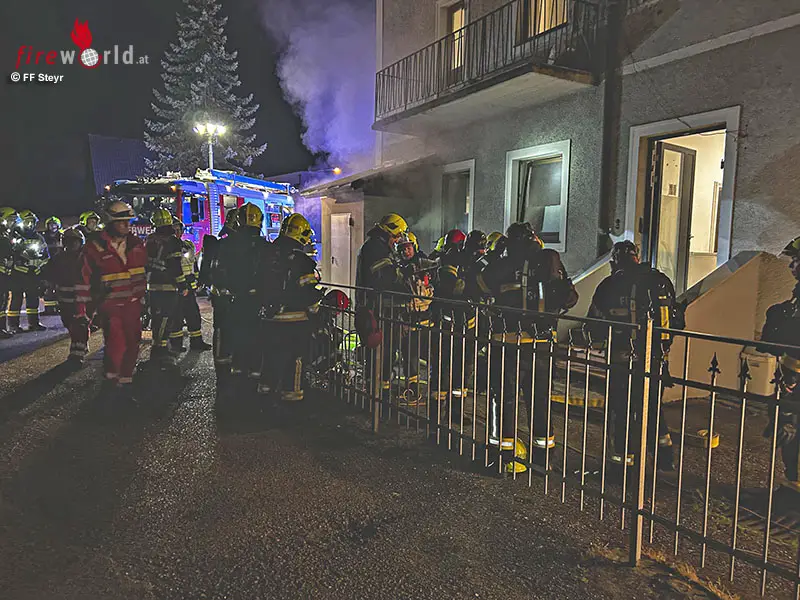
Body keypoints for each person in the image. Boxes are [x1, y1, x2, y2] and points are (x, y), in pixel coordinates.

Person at [476, 222, 578, 473]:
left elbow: (476, 283)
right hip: (541, 345)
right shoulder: (549, 259)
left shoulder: (501, 263)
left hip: (506, 344)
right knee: (540, 399)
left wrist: (494, 255)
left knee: (504, 399)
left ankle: (501, 455)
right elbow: (570, 299)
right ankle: (544, 458)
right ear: (534, 238)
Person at [587, 241, 683, 471]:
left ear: (614, 260)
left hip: (623, 359)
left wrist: (598, 340)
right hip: (656, 360)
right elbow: (677, 321)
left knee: (621, 410)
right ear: (637, 258)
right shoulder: (661, 281)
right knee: (651, 407)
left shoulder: (610, 284)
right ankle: (664, 457)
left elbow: (593, 324)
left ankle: (623, 463)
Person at [75, 201, 147, 397]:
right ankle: (111, 384)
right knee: (116, 344)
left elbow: (142, 275)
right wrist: (82, 310)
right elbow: (83, 280)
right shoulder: (95, 247)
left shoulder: (136, 245)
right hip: (110, 305)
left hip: (133, 306)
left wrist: (144, 302)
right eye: (121, 222)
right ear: (110, 222)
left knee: (133, 343)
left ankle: (125, 383)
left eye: (128, 221)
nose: (126, 225)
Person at [257, 213, 322, 400]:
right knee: (295, 361)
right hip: (294, 323)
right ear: (302, 235)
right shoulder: (302, 260)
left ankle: (264, 398)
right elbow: (308, 293)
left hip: (267, 319)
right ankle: (291, 401)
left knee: (269, 359)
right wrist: (316, 312)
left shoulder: (267, 253)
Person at [760, 236, 800, 507]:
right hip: (792, 376)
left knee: (792, 429)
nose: (792, 266)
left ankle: (794, 488)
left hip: (795, 379)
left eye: (796, 261)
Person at [355, 213, 409, 394]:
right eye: (397, 235)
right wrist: (404, 277)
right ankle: (377, 400)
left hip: (379, 309)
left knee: (384, 354)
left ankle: (379, 394)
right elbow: (385, 278)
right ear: (388, 232)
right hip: (377, 310)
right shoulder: (375, 249)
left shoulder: (377, 247)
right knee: (380, 355)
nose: (398, 240)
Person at [215, 203, 269, 380]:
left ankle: (235, 371)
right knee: (256, 337)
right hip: (256, 301)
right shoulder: (265, 246)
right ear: (259, 221)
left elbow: (219, 271)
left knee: (236, 334)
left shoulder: (228, 244)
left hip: (233, 300)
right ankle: (254, 372)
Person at [145, 208, 187, 368]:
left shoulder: (150, 239)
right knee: (165, 319)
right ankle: (160, 350)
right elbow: (175, 266)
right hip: (168, 287)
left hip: (152, 286)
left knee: (157, 319)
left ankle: (160, 347)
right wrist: (183, 285)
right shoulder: (173, 241)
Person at [396, 231, 436, 400]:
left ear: (414, 247)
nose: (406, 252)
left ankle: (436, 390)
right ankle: (412, 390)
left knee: (433, 356)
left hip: (427, 320)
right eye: (403, 249)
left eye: (409, 248)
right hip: (409, 320)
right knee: (410, 357)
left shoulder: (425, 263)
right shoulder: (396, 269)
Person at [42, 228, 90, 366]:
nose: (72, 244)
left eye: (75, 241)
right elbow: (49, 271)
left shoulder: (86, 257)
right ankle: (79, 346)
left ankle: (78, 353)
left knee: (80, 324)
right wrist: (46, 283)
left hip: (81, 298)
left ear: (80, 242)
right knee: (68, 323)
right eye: (69, 241)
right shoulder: (59, 257)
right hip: (64, 297)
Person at [204, 207, 239, 375]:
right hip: (232, 299)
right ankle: (228, 362)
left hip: (220, 299)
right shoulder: (235, 247)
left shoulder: (219, 244)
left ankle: (223, 362)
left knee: (221, 331)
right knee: (230, 330)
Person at [170, 220, 211, 352]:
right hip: (177, 287)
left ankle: (197, 342)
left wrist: (198, 280)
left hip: (189, 285)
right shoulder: (169, 246)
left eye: (178, 230)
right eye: (174, 230)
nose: (177, 233)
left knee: (193, 315)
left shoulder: (189, 245)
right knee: (176, 317)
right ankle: (176, 345)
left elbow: (193, 265)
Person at [8, 209, 49, 332]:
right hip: (18, 273)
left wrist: (40, 265)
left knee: (33, 298)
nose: (30, 224)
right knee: (17, 299)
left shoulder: (39, 237)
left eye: (32, 222)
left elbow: (45, 254)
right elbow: (10, 254)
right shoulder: (15, 237)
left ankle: (34, 323)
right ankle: (13, 325)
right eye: (27, 222)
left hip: (33, 273)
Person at [0, 208, 20, 338]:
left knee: (3, 300)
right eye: (11, 220)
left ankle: (2, 328)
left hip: (4, 274)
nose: (12, 223)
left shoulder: (6, 234)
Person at [41, 216, 64, 315]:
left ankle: (60, 307)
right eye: (51, 224)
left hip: (61, 264)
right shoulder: (43, 237)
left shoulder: (62, 236)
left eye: (55, 224)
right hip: (48, 264)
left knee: (60, 286)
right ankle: (49, 309)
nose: (53, 226)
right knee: (48, 287)